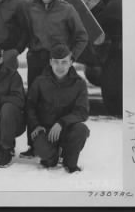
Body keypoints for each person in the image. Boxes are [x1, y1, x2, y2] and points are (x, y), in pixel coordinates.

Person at [20, 0, 89, 158]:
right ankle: (34, 145)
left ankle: (61, 139)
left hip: (59, 62)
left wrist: (71, 58)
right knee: (34, 100)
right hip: (37, 60)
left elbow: (82, 36)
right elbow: (25, 34)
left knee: (59, 101)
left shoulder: (67, 9)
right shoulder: (31, 9)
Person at [26, 44, 90, 173]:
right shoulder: (40, 82)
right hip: (46, 130)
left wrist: (62, 122)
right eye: (56, 62)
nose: (60, 67)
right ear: (50, 62)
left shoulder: (79, 83)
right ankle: (53, 155)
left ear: (71, 62)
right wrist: (36, 125)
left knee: (81, 129)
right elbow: (30, 106)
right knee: (48, 160)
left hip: (67, 129)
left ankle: (68, 159)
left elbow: (82, 112)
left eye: (64, 62)